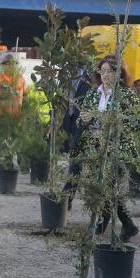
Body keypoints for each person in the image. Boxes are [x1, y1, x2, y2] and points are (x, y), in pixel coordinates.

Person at [77, 55, 140, 243]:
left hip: (119, 149)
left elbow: (139, 122)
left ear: (119, 73)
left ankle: (114, 225)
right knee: (103, 187)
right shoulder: (93, 94)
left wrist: (117, 121)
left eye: (110, 71)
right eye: (102, 71)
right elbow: (79, 119)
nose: (105, 75)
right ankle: (119, 224)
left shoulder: (127, 95)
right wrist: (83, 118)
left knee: (109, 187)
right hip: (97, 148)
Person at [62, 67, 95, 210]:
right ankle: (67, 197)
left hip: (84, 125)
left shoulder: (90, 75)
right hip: (70, 123)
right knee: (74, 162)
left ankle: (67, 196)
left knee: (76, 163)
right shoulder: (68, 75)